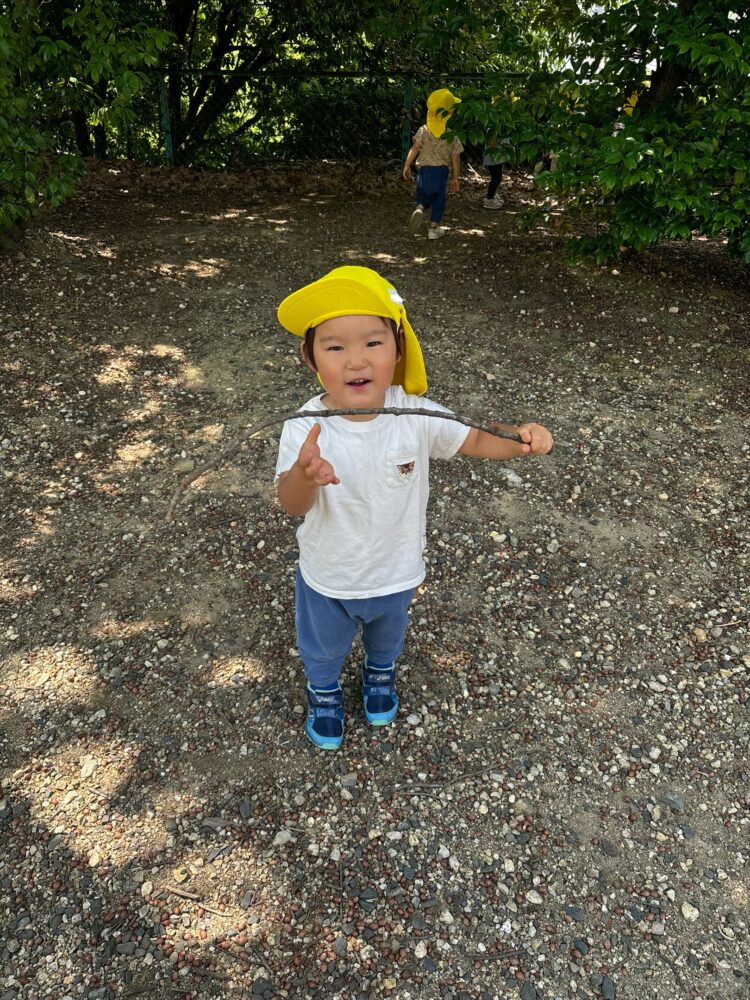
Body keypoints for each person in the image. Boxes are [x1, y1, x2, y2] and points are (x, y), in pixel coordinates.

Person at [275, 265, 554, 750]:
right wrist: (304, 474)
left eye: (373, 343)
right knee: (322, 646)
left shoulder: (414, 414)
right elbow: (291, 503)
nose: (356, 360)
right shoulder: (305, 427)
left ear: (399, 348)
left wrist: (520, 440)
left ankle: (379, 671)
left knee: (388, 636)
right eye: (335, 347)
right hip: (329, 576)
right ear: (309, 357)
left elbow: (474, 439)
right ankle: (323, 689)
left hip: (397, 570)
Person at [402, 88, 463, 240]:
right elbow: (455, 158)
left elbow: (415, 148)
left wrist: (407, 165)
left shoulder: (423, 130)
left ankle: (419, 208)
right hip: (441, 172)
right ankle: (433, 229)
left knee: (423, 196)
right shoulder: (451, 135)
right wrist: (456, 178)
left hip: (424, 171)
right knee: (438, 200)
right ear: (450, 113)